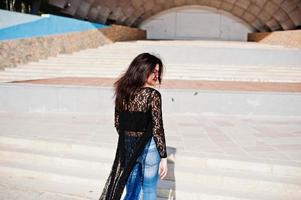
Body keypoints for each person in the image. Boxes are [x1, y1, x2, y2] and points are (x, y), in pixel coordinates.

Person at [99, 52, 168, 200]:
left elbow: (118, 124)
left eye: (158, 72)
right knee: (149, 191)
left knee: (131, 191)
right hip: (149, 149)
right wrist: (164, 157)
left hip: (128, 149)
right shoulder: (153, 95)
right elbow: (157, 128)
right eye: (153, 71)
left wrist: (131, 141)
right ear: (143, 70)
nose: (157, 75)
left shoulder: (122, 93)